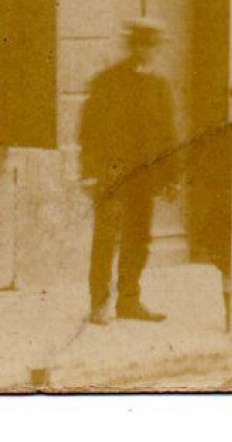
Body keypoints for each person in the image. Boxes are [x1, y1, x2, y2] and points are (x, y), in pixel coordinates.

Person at [79, 17, 179, 326]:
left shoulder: (160, 86)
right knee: (107, 238)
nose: (146, 51)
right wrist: (90, 172)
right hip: (112, 175)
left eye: (151, 46)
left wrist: (170, 177)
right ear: (130, 45)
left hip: (143, 178)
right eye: (140, 44)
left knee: (138, 238)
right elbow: (89, 130)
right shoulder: (107, 81)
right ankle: (99, 304)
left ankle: (129, 300)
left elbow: (168, 134)